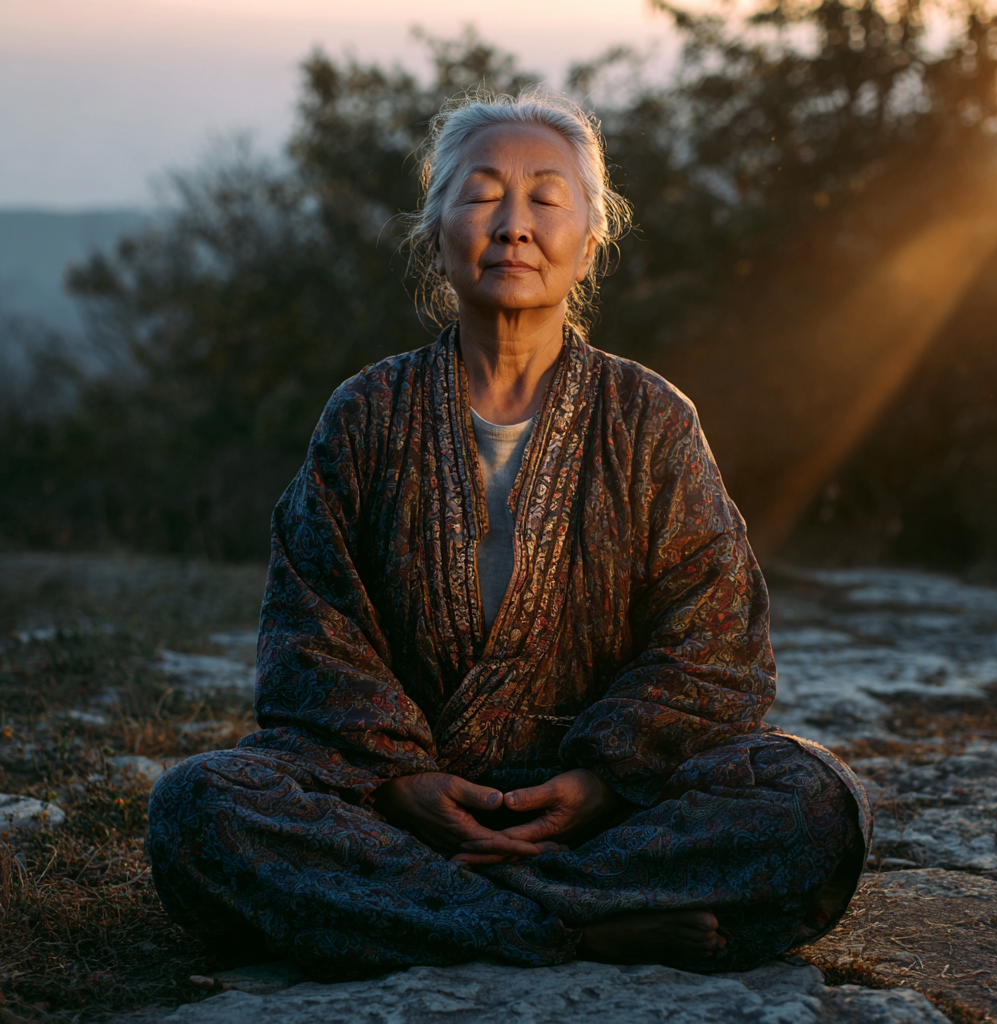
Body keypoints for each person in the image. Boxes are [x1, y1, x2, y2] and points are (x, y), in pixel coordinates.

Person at [147, 89, 870, 978]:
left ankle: (455, 913)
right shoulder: (368, 414)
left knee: (815, 803)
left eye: (546, 197)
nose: (514, 225)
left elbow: (715, 638)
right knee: (201, 806)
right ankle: (583, 923)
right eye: (483, 193)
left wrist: (605, 778)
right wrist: (402, 780)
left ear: (590, 240)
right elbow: (310, 629)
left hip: (611, 806)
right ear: (435, 232)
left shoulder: (648, 419)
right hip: (400, 807)